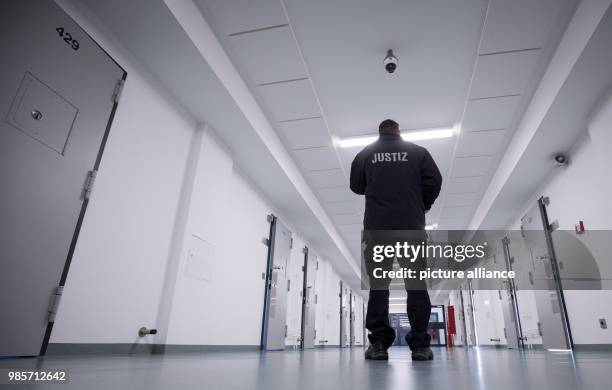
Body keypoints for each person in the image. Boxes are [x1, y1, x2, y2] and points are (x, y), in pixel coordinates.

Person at [349, 119, 442, 361]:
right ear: (399, 131)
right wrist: (422, 205)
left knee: (379, 286)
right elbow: (434, 181)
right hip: (411, 227)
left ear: (379, 132)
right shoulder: (418, 152)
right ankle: (420, 345)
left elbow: (356, 186)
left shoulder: (365, 154)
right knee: (416, 284)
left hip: (377, 229)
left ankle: (379, 344)